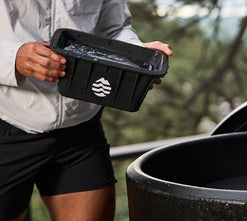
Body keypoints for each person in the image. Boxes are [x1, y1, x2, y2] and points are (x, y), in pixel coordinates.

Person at [0, 1, 172, 220]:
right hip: (7, 122)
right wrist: (12, 57)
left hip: (79, 129)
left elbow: (114, 28)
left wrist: (137, 57)